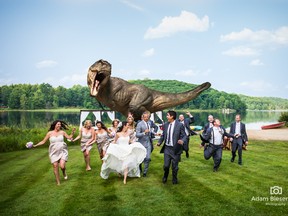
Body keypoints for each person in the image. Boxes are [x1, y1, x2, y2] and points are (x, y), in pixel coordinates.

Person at [32, 120, 75, 185]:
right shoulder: (50, 133)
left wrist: (72, 133)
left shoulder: (62, 132)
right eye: (58, 124)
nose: (59, 125)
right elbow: (43, 141)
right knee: (55, 166)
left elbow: (69, 137)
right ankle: (58, 182)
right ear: (55, 125)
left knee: (62, 166)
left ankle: (64, 172)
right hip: (53, 152)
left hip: (62, 150)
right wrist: (35, 145)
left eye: (60, 124)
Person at [157, 110, 187, 184]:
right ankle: (165, 176)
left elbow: (184, 135)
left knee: (175, 166)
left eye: (167, 115)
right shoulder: (166, 125)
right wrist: (159, 142)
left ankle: (174, 178)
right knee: (166, 166)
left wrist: (182, 140)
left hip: (175, 149)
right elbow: (163, 135)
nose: (166, 116)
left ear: (172, 116)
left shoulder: (179, 125)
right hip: (167, 148)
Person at [136, 112, 154, 177]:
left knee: (148, 158)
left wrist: (155, 134)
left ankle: (145, 172)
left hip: (148, 143)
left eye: (147, 117)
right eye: (145, 117)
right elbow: (137, 135)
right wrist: (144, 132)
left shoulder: (149, 123)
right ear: (143, 117)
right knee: (141, 158)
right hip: (141, 143)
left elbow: (150, 132)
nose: (146, 118)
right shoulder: (139, 124)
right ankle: (139, 167)